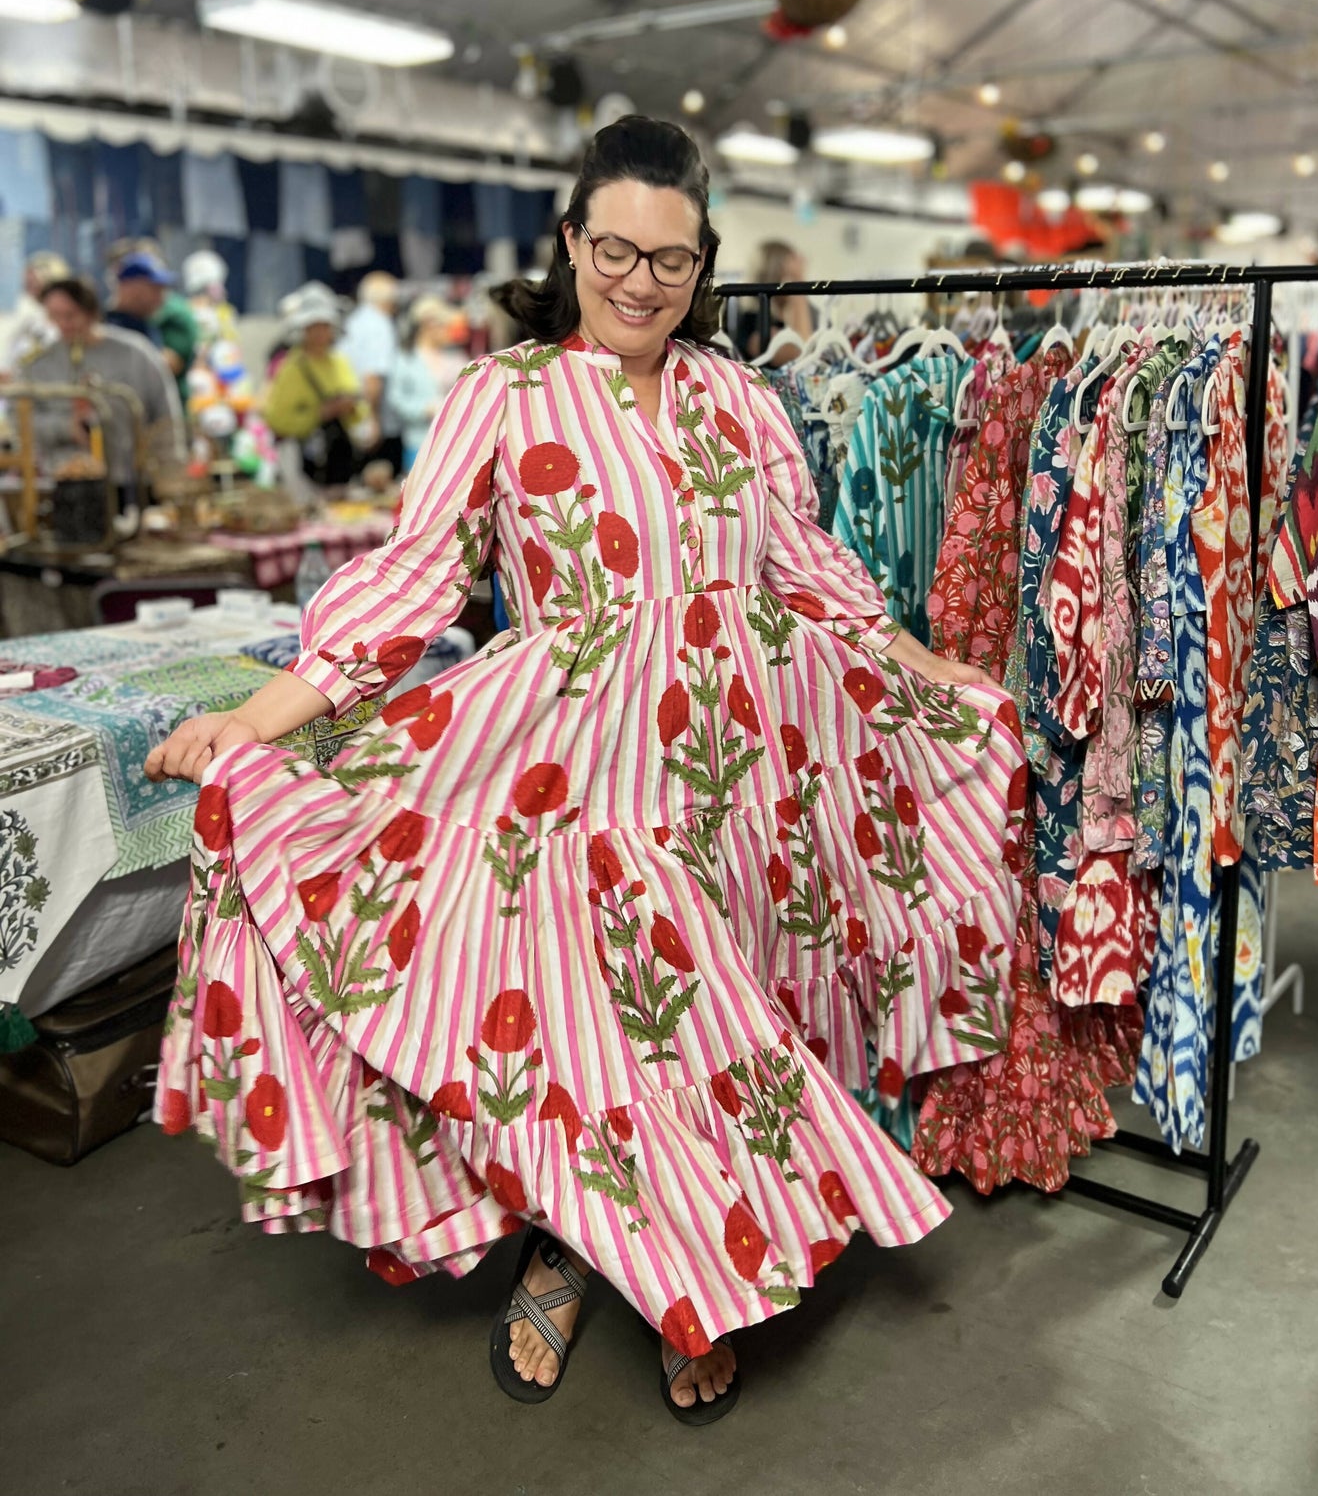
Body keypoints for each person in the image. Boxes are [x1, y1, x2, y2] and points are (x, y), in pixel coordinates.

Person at [144, 115, 1021, 1425]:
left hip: (738, 764)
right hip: (572, 770)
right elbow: (417, 576)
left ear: (701, 263)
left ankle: (659, 1265)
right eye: (615, 247)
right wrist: (264, 719)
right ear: (570, 242)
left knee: (703, 1034)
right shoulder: (501, 395)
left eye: (671, 259)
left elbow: (808, 573)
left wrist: (924, 665)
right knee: (602, 1035)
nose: (640, 280)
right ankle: (618, 1266)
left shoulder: (742, 398)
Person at [27, 275, 184, 497]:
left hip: (130, 479)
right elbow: (23, 422)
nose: (63, 324)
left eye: (70, 315)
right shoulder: (39, 365)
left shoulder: (135, 354)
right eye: (55, 317)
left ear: (90, 312)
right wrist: (66, 427)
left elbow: (166, 417)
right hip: (64, 482)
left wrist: (171, 473)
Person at [262, 282, 372, 487]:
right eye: (314, 326)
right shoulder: (292, 368)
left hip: (341, 458)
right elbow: (276, 418)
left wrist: (350, 407)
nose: (320, 332)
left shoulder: (339, 361)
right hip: (306, 464)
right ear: (304, 329)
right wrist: (318, 413)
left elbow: (360, 409)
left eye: (325, 325)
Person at [386, 295, 466, 471]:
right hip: (419, 441)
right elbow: (396, 399)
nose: (448, 331)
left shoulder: (454, 358)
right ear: (428, 326)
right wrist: (423, 410)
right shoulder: (405, 360)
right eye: (444, 326)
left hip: (454, 441)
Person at [105, 243, 200, 389]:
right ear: (132, 289)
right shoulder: (108, 326)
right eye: (155, 289)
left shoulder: (147, 322)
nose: (161, 298)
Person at [343, 270, 403, 474]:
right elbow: (373, 376)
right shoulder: (379, 325)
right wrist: (374, 420)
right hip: (375, 416)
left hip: (352, 413)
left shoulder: (354, 321)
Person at [740, 239, 816, 362]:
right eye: (789, 275)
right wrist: (798, 282)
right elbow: (801, 351)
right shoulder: (754, 320)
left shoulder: (784, 320)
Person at [2, 250, 69, 374]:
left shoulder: (67, 315)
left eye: (35, 284)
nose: (30, 288)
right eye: (27, 283)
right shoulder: (22, 312)